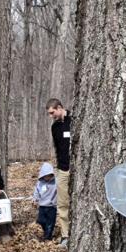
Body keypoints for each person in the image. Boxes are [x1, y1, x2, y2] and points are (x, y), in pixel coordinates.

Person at [46, 98, 73, 242]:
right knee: (63, 203)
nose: (51, 116)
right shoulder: (54, 127)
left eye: (52, 112)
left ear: (60, 107)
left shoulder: (74, 120)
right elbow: (57, 148)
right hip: (63, 170)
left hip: (77, 169)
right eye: (49, 114)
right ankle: (65, 235)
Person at [33, 162, 58, 241]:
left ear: (51, 175)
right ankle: (46, 232)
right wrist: (35, 199)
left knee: (50, 223)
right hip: (42, 206)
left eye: (48, 176)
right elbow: (36, 191)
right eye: (45, 176)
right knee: (41, 221)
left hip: (52, 206)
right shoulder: (40, 183)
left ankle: (48, 236)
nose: (46, 178)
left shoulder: (55, 182)